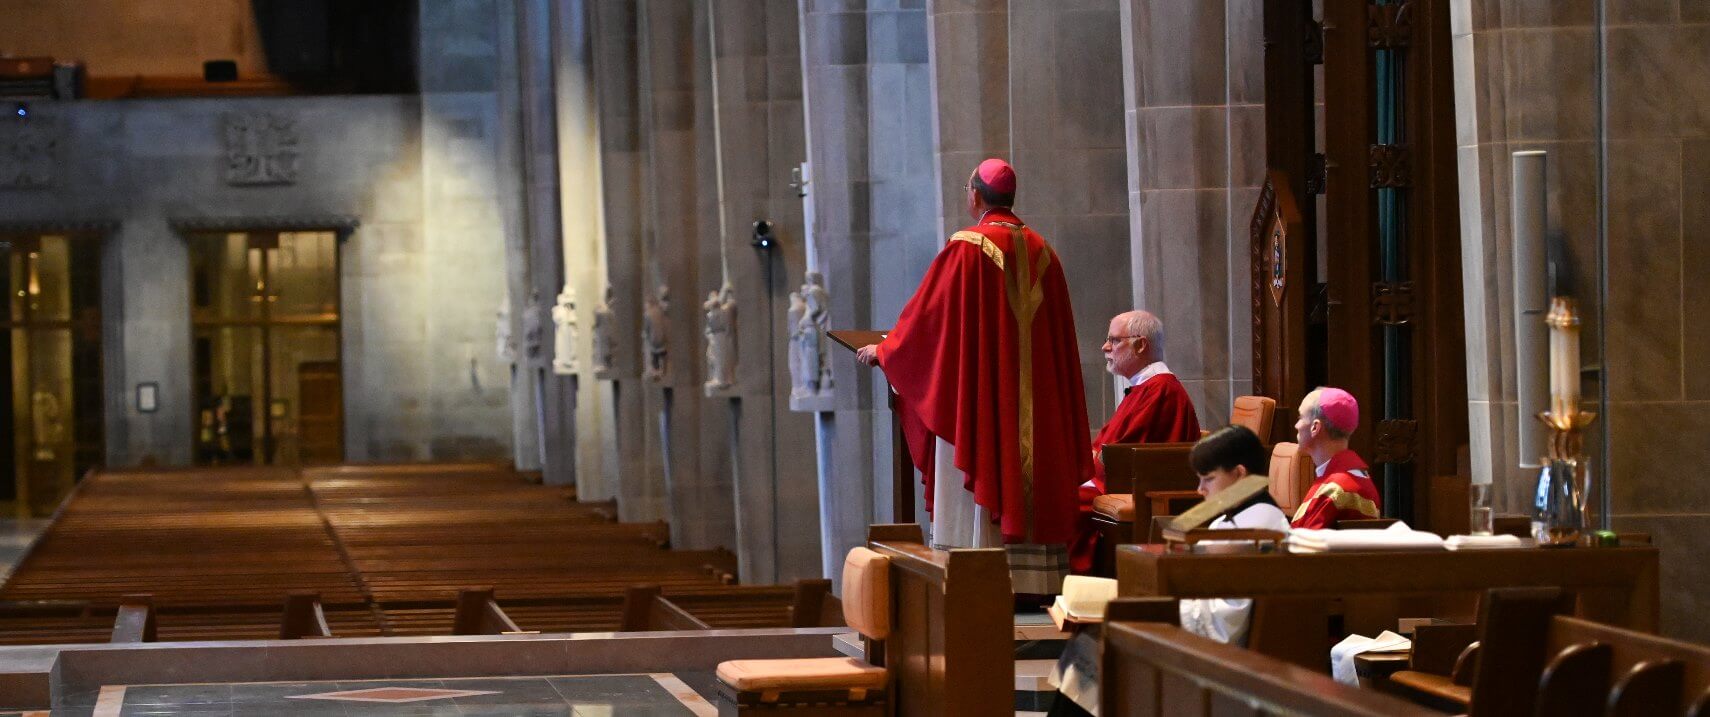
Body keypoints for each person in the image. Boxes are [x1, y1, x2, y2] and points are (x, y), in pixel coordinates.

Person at [856, 158, 1091, 599]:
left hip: (982, 405)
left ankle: (976, 584)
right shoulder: (1045, 251)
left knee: (977, 459)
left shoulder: (967, 247)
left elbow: (928, 321)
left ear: (976, 196)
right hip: (1038, 409)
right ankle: (1034, 584)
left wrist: (886, 351)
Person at [1068, 309, 1201, 573]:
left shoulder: (1160, 390)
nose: (1106, 347)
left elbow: (1122, 454)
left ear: (1141, 344)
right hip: (1121, 478)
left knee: (1062, 501)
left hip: (1139, 485)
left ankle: (1067, 579)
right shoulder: (1145, 387)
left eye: (1115, 340)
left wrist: (1078, 468)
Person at [1176, 425, 1291, 645]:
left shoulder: (1260, 526)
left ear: (1239, 474)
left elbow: (1226, 621)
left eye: (1208, 479)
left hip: (1236, 653)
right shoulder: (1230, 519)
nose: (1200, 489)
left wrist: (1164, 606)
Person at [1289, 387, 1381, 529]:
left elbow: (1302, 546)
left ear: (1315, 427)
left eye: (1300, 417)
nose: (1296, 425)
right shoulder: (1350, 474)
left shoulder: (1336, 488)